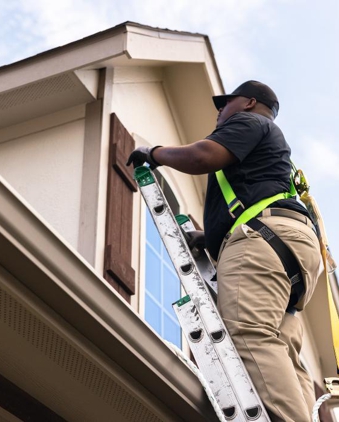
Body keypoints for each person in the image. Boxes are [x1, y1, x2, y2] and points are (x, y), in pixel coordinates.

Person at [126, 80, 322, 422]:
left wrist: (154, 153)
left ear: (248, 102)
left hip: (264, 239)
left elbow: (203, 156)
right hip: (294, 249)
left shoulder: (249, 123)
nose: (220, 111)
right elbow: (251, 197)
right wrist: (209, 238)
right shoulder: (273, 151)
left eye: (225, 103)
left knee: (248, 333)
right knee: (284, 353)